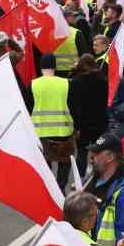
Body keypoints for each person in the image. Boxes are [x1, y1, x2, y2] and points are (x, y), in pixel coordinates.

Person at [32, 53, 77, 185]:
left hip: (40, 132)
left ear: (41, 67)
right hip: (63, 132)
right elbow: (73, 107)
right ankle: (61, 186)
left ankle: (50, 187)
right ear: (55, 66)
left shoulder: (33, 85)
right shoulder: (66, 84)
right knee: (64, 161)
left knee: (45, 162)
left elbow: (28, 108)